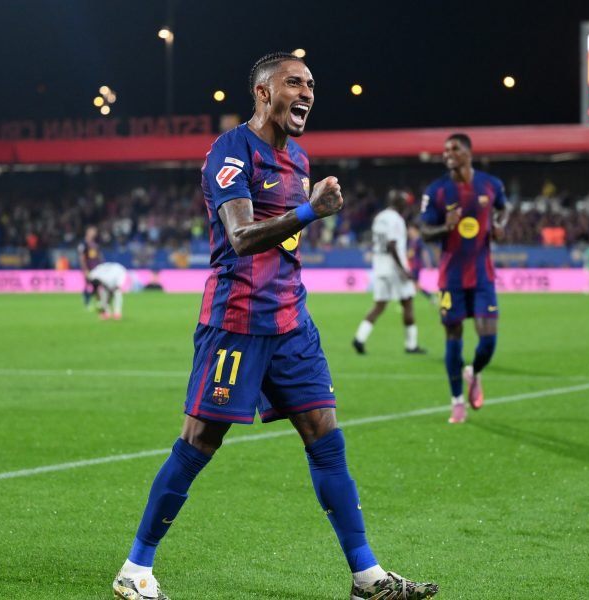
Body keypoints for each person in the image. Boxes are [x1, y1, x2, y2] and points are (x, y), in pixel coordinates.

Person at [112, 52, 439, 600]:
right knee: (199, 441)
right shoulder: (231, 151)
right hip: (237, 321)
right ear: (263, 92)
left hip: (291, 321)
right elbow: (241, 237)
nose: (307, 92)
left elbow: (285, 238)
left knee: (326, 438)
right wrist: (310, 211)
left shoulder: (300, 160)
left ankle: (366, 578)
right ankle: (135, 570)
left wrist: (308, 212)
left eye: (311, 84)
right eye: (294, 82)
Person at [420, 133, 509, 425]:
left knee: (488, 340)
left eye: (454, 149)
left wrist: (499, 226)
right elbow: (424, 232)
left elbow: (503, 209)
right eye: (445, 150)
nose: (448, 153)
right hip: (451, 278)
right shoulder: (437, 191)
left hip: (483, 275)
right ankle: (457, 401)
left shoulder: (491, 184)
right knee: (453, 338)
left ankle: (474, 371)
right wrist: (444, 228)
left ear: (468, 153)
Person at [352, 190, 426, 355]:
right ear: (399, 204)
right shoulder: (397, 220)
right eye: (405, 204)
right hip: (395, 268)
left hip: (380, 266)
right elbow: (392, 245)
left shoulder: (379, 217)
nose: (407, 208)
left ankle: (359, 338)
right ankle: (411, 345)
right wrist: (403, 270)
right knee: (407, 303)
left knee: (379, 305)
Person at [407, 223, 437, 305]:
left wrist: (428, 264)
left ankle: (430, 297)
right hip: (411, 265)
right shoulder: (412, 241)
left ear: (415, 230)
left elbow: (424, 252)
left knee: (414, 284)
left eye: (410, 229)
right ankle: (408, 303)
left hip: (416, 266)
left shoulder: (418, 240)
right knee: (415, 285)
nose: (409, 231)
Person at [78, 225, 104, 309]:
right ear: (88, 232)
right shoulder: (84, 244)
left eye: (95, 232)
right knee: (88, 284)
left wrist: (101, 265)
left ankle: (98, 302)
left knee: (96, 285)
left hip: (96, 268)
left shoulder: (95, 244)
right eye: (92, 231)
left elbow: (99, 256)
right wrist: (85, 269)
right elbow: (82, 257)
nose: (94, 233)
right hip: (88, 268)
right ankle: (87, 302)